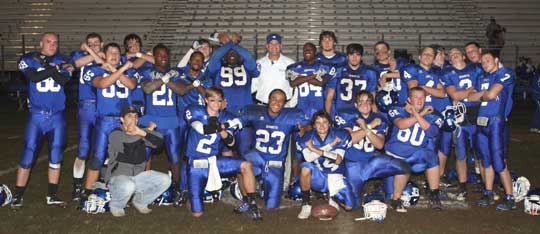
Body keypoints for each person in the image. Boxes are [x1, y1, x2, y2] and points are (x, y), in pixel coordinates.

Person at [12, 32, 74, 209]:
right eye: (48, 42)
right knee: (28, 153)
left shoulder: (65, 60)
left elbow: (62, 80)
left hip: (57, 116)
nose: (52, 45)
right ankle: (18, 195)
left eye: (55, 42)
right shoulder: (28, 59)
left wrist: (48, 65)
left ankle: (52, 195)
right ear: (41, 43)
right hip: (37, 115)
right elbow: (35, 77)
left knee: (56, 155)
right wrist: (53, 67)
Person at [184, 87, 262, 220]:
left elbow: (231, 143)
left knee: (246, 165)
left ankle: (251, 203)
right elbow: (201, 129)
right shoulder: (195, 111)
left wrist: (223, 129)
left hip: (214, 162)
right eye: (212, 100)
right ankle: (189, 195)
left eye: (219, 101)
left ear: (223, 102)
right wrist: (224, 125)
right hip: (196, 164)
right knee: (197, 214)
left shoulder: (227, 117)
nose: (216, 104)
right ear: (206, 101)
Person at [335, 91, 411, 212]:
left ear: (371, 104)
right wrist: (370, 126)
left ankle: (395, 198)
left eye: (368, 101)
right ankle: (337, 194)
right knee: (353, 206)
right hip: (353, 165)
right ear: (355, 104)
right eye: (361, 101)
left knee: (404, 167)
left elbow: (380, 144)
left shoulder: (379, 119)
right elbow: (349, 140)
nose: (365, 104)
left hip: (372, 162)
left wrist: (365, 127)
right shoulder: (347, 115)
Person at [81, 43, 138, 198]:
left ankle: (127, 191)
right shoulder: (94, 70)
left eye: (117, 53)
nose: (114, 55)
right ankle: (87, 191)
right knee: (98, 156)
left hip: (125, 120)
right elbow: (103, 83)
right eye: (111, 52)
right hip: (105, 119)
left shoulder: (130, 70)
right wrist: (120, 69)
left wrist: (115, 69)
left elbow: (131, 85)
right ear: (104, 55)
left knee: (127, 157)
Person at [239, 89, 309, 209]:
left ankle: (262, 184)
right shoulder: (255, 112)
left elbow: (309, 125)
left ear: (285, 104)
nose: (277, 103)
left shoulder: (292, 116)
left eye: (281, 100)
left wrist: (304, 128)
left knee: (272, 206)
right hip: (256, 157)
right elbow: (237, 122)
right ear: (268, 100)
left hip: (275, 164)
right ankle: (246, 197)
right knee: (241, 166)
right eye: (274, 99)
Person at [467, 50, 516, 211]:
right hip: (481, 122)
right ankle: (488, 192)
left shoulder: (505, 73)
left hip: (496, 122)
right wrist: (484, 94)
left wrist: (483, 94)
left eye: (488, 60)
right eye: (482, 62)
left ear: (496, 60)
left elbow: (492, 94)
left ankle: (510, 197)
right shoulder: (482, 77)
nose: (484, 63)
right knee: (485, 161)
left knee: (499, 162)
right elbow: (471, 97)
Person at [138, 44, 186, 206]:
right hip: (152, 119)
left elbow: (181, 90)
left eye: (166, 54)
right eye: (159, 55)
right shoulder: (146, 71)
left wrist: (167, 80)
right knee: (144, 156)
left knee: (174, 157)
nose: (163, 57)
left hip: (171, 119)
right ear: (154, 56)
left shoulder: (176, 72)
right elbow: (147, 88)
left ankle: (177, 189)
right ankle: (142, 188)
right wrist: (163, 80)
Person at [104, 106, 171, 217]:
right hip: (117, 178)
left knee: (165, 179)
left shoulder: (140, 132)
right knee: (128, 185)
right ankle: (116, 206)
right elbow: (129, 142)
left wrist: (143, 132)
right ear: (122, 119)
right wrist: (147, 131)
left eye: (135, 116)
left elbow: (159, 141)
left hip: (138, 177)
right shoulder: (115, 134)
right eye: (129, 116)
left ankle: (140, 201)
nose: (133, 119)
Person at [384, 87, 444, 210]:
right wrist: (420, 114)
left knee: (431, 156)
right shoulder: (397, 109)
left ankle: (434, 194)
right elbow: (401, 125)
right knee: (389, 194)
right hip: (393, 156)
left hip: (415, 155)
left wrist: (416, 113)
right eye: (416, 97)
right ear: (409, 99)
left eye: (422, 97)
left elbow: (432, 132)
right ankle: (394, 197)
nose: (419, 100)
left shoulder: (433, 114)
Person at [206, 36, 260, 156]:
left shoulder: (247, 67)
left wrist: (233, 44)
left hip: (244, 112)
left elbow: (249, 57)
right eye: (227, 52)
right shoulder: (216, 67)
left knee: (245, 149)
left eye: (235, 52)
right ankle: (228, 174)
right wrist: (230, 44)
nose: (231, 53)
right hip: (224, 112)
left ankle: (243, 173)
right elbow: (215, 56)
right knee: (224, 149)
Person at [296, 110, 355, 219]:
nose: (321, 125)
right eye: (318, 122)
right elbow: (308, 158)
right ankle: (306, 204)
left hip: (335, 175)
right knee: (305, 167)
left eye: (324, 122)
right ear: (313, 125)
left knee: (349, 206)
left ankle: (333, 197)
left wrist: (313, 148)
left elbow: (337, 159)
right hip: (318, 176)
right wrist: (330, 146)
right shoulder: (307, 137)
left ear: (330, 124)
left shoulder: (340, 135)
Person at [442, 48, 483, 200]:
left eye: (456, 52)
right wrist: (471, 90)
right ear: (450, 60)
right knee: (461, 154)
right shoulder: (446, 73)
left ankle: (483, 183)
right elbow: (455, 95)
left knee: (480, 153)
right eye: (451, 55)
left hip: (477, 114)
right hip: (460, 117)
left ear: (464, 56)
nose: (453, 55)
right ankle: (463, 185)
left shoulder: (476, 68)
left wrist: (464, 93)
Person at [70, 32, 105, 201]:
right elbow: (76, 64)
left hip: (103, 106)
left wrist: (92, 53)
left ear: (102, 44)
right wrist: (93, 53)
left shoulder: (105, 56)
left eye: (96, 43)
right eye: (89, 43)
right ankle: (77, 186)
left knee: (102, 148)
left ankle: (100, 183)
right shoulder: (80, 55)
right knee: (83, 148)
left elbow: (101, 61)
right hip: (86, 106)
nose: (92, 46)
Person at [325, 43, 378, 116]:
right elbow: (329, 97)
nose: (354, 57)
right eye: (351, 54)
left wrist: (375, 117)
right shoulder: (338, 70)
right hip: (341, 113)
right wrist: (328, 118)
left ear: (361, 57)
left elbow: (372, 100)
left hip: (361, 114)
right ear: (347, 56)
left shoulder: (370, 72)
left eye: (357, 55)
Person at [287, 43, 334, 118]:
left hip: (320, 108)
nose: (307, 51)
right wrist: (314, 75)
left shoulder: (325, 66)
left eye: (310, 49)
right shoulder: (294, 67)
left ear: (315, 52)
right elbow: (293, 83)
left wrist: (301, 77)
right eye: (305, 49)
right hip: (301, 108)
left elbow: (321, 83)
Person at [252, 33, 296, 107]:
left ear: (281, 46)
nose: (274, 46)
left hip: (283, 107)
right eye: (271, 44)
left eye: (277, 44)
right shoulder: (258, 63)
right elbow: (253, 86)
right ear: (267, 46)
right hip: (262, 106)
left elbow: (296, 86)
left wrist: (291, 104)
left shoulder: (290, 64)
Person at [371, 41, 409, 105]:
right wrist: (392, 69)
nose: (380, 52)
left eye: (383, 49)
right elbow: (382, 86)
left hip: (403, 104)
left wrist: (386, 75)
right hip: (385, 105)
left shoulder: (401, 63)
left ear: (389, 51)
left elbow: (409, 75)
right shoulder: (373, 68)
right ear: (375, 54)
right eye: (377, 50)